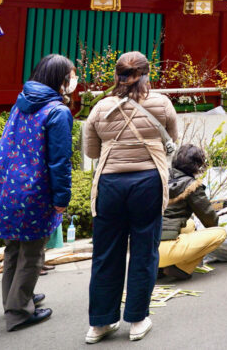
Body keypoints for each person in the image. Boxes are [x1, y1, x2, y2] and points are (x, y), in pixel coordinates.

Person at [83, 51, 178, 344]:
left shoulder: (100, 108)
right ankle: (137, 320)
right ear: (147, 74)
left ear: (117, 76)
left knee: (105, 253)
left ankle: (99, 324)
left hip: (110, 184)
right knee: (144, 251)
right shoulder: (161, 103)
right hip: (148, 182)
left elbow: (91, 151)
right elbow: (173, 138)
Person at [0, 54, 74, 332]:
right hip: (35, 192)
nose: (73, 81)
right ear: (60, 79)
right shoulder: (57, 111)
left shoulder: (23, 101)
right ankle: (19, 311)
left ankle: (15, 298)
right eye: (71, 75)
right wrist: (61, 199)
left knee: (13, 248)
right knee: (32, 254)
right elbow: (59, 161)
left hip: (9, 187)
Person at [158, 144, 227, 279]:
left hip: (144, 248)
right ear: (197, 165)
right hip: (165, 250)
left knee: (189, 224)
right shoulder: (191, 185)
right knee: (220, 233)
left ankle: (159, 267)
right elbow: (210, 219)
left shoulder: (160, 177)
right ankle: (180, 268)